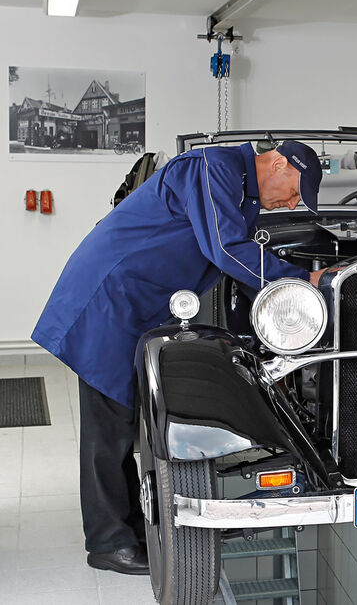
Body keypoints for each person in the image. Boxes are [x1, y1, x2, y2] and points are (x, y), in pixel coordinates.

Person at [31, 139, 325, 575]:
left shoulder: (239, 188)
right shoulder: (214, 165)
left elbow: (231, 258)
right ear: (279, 162)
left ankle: (127, 529)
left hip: (134, 301)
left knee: (125, 421)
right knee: (107, 424)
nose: (292, 203)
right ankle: (108, 543)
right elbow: (225, 249)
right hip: (110, 298)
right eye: (296, 190)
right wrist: (302, 282)